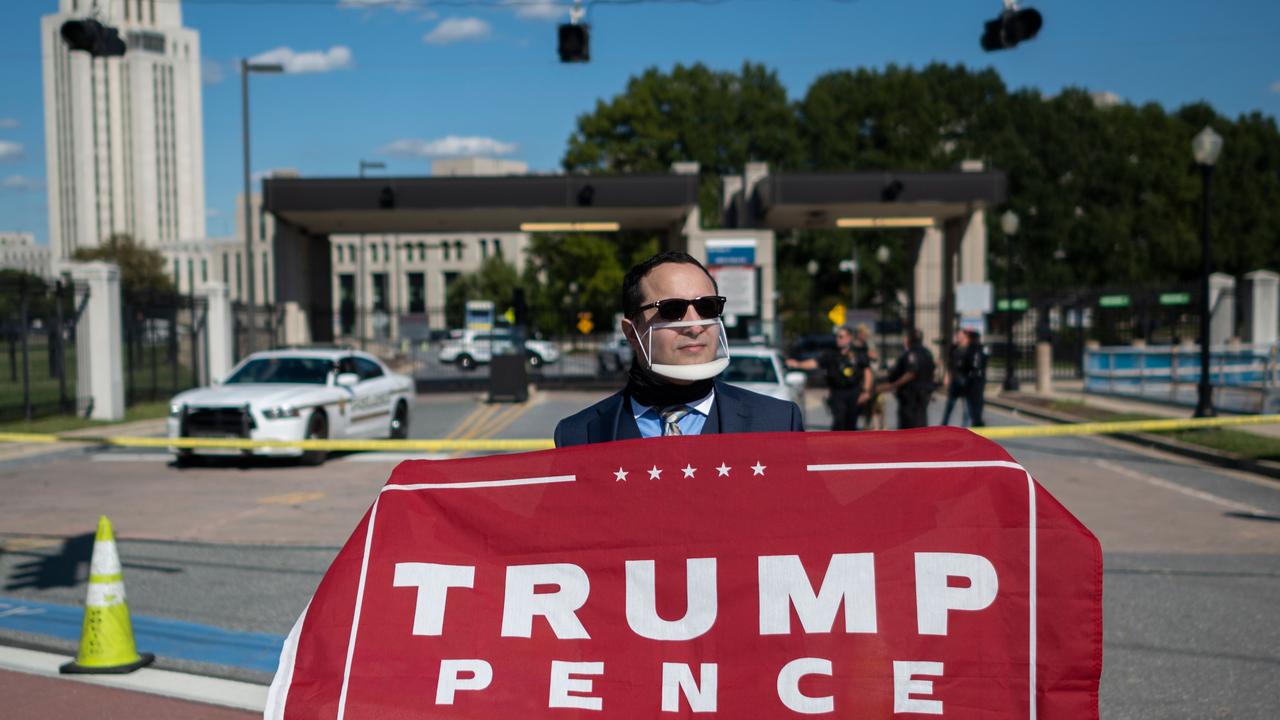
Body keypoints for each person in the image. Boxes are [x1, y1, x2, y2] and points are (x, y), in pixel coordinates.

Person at [554, 251, 804, 446]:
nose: (695, 327)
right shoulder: (579, 434)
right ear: (631, 332)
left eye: (708, 307)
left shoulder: (778, 422)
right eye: (672, 310)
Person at [786, 325, 872, 430]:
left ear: (849, 338)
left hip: (853, 391)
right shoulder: (831, 353)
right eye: (837, 337)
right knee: (839, 421)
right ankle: (837, 444)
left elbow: (867, 371)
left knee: (851, 422)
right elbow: (815, 363)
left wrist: (866, 391)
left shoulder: (858, 353)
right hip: (837, 392)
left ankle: (850, 445)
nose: (838, 339)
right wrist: (798, 364)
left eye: (841, 337)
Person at [876, 329, 936, 430]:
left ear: (910, 339)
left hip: (911, 394)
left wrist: (893, 385)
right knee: (921, 422)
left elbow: (910, 373)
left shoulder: (911, 354)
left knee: (909, 425)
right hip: (924, 392)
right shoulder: (928, 353)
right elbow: (932, 371)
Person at [941, 329, 974, 426]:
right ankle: (944, 425)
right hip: (955, 380)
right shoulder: (954, 348)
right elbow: (950, 364)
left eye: (960, 335)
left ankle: (965, 427)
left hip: (965, 381)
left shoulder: (969, 349)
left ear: (965, 336)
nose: (958, 337)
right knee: (950, 405)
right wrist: (947, 376)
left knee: (967, 406)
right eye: (957, 335)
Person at [965, 329, 987, 427]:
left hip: (973, 377)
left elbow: (969, 363)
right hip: (979, 376)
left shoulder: (971, 349)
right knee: (978, 398)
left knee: (974, 399)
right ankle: (976, 418)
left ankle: (976, 418)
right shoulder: (981, 348)